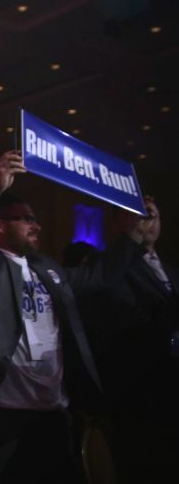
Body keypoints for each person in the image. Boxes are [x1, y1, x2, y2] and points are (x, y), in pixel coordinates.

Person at [0, 150, 147, 484]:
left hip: (51, 410)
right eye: (26, 218)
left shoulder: (47, 267)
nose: (36, 224)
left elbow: (98, 277)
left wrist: (131, 236)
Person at [88, 196, 178, 482]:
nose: (149, 222)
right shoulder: (106, 266)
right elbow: (124, 318)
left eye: (154, 215)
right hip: (138, 393)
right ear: (119, 222)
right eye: (142, 215)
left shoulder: (172, 270)